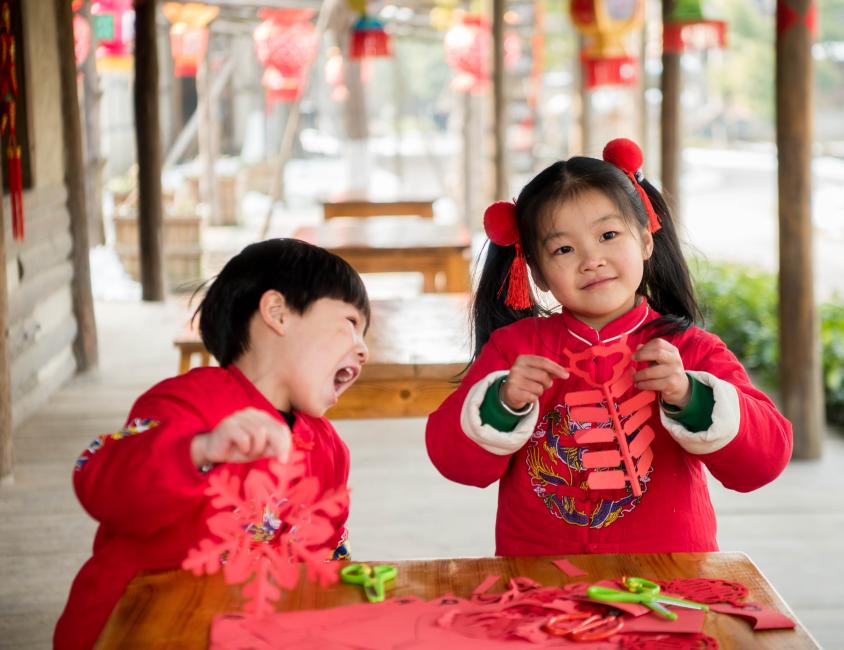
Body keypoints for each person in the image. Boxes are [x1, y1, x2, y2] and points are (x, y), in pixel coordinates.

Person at [426, 138, 792, 556]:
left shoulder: (689, 349)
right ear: (538, 274)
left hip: (670, 575)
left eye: (608, 235)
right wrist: (502, 403)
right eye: (564, 248)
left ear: (646, 241)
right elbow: (455, 463)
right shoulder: (516, 350)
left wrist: (690, 396)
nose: (591, 259)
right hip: (538, 579)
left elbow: (764, 463)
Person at [54, 239, 370, 649]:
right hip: (136, 629)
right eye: (349, 323)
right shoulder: (184, 403)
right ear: (277, 313)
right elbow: (102, 481)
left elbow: (324, 550)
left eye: (364, 335)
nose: (362, 349)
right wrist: (197, 452)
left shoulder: (328, 448)